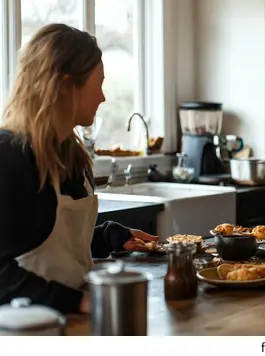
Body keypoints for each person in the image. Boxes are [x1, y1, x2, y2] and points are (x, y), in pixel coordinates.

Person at [0, 24, 159, 315]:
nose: (102, 97)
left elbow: (51, 246)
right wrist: (77, 301)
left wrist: (109, 236)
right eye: (97, 84)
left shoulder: (70, 154)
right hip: (24, 329)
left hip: (70, 321)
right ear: (64, 86)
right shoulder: (9, 157)